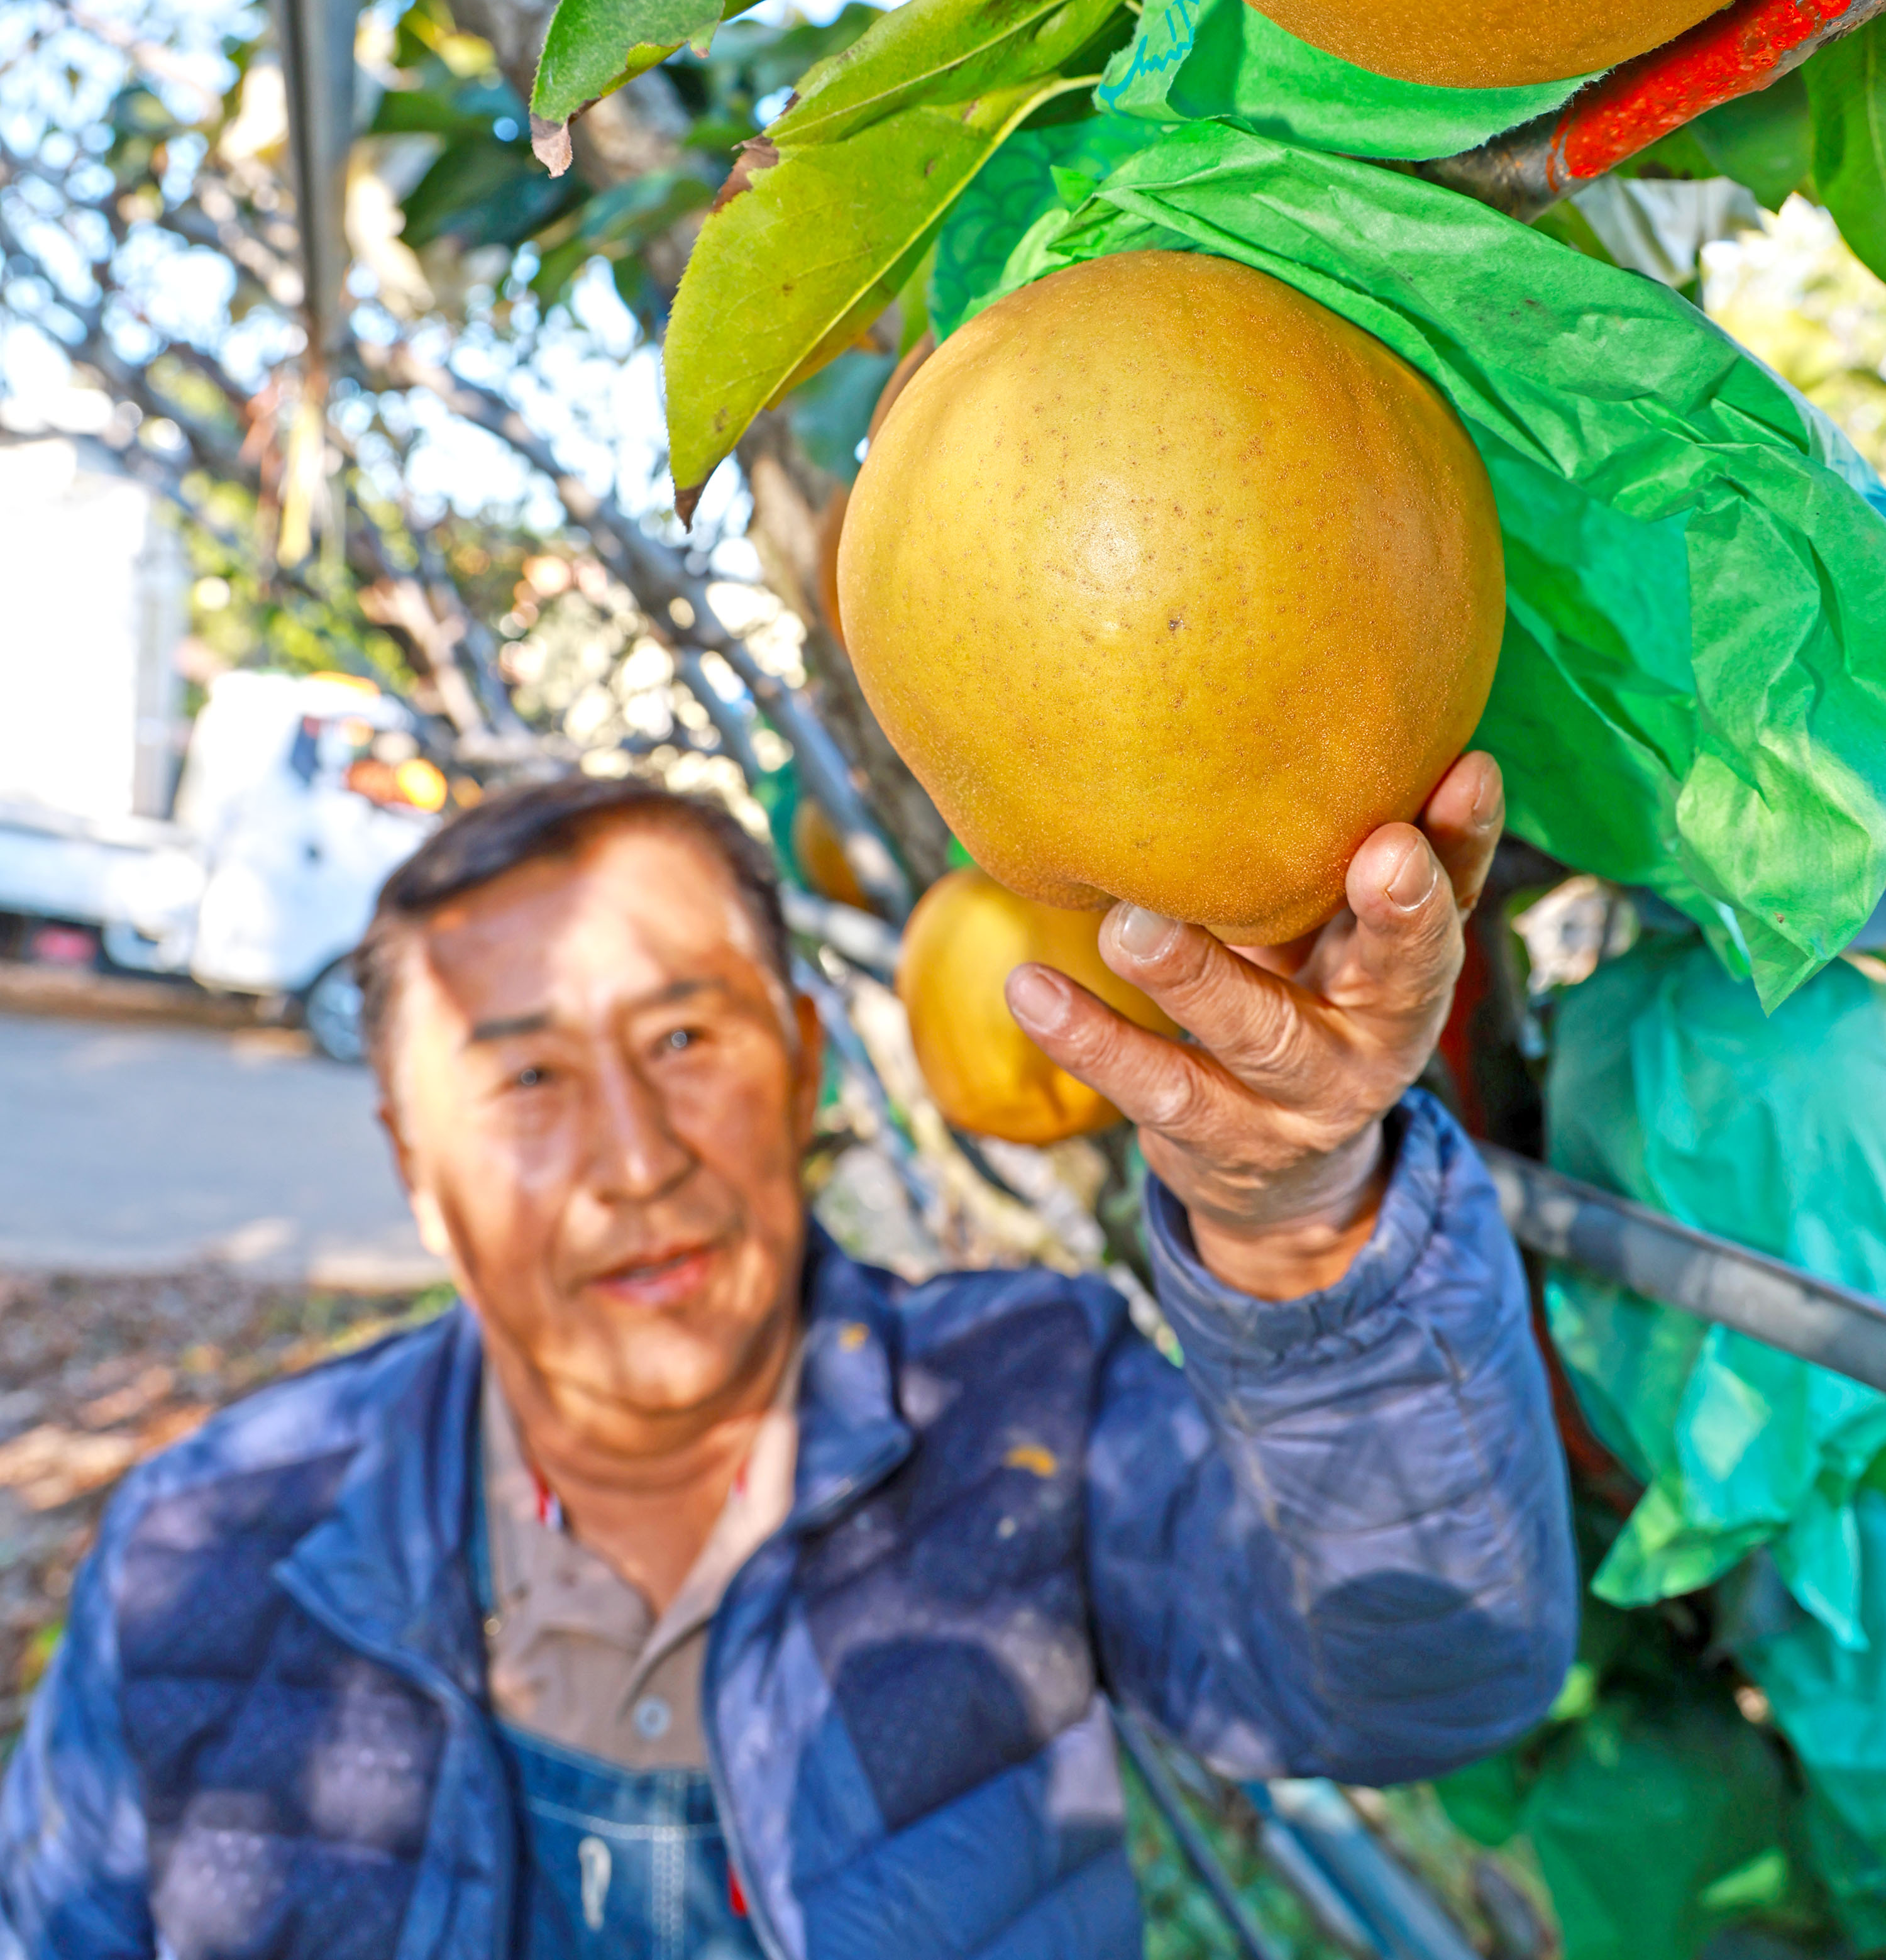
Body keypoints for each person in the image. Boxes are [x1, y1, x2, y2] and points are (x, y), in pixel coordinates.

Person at [0, 755, 1575, 1959]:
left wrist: (1297, 1223)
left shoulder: (1023, 1406)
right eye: (530, 1078)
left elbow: (1427, 1680)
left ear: (809, 1066)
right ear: (413, 1163)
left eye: (686, 1041)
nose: (635, 1160)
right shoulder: (203, 1550)